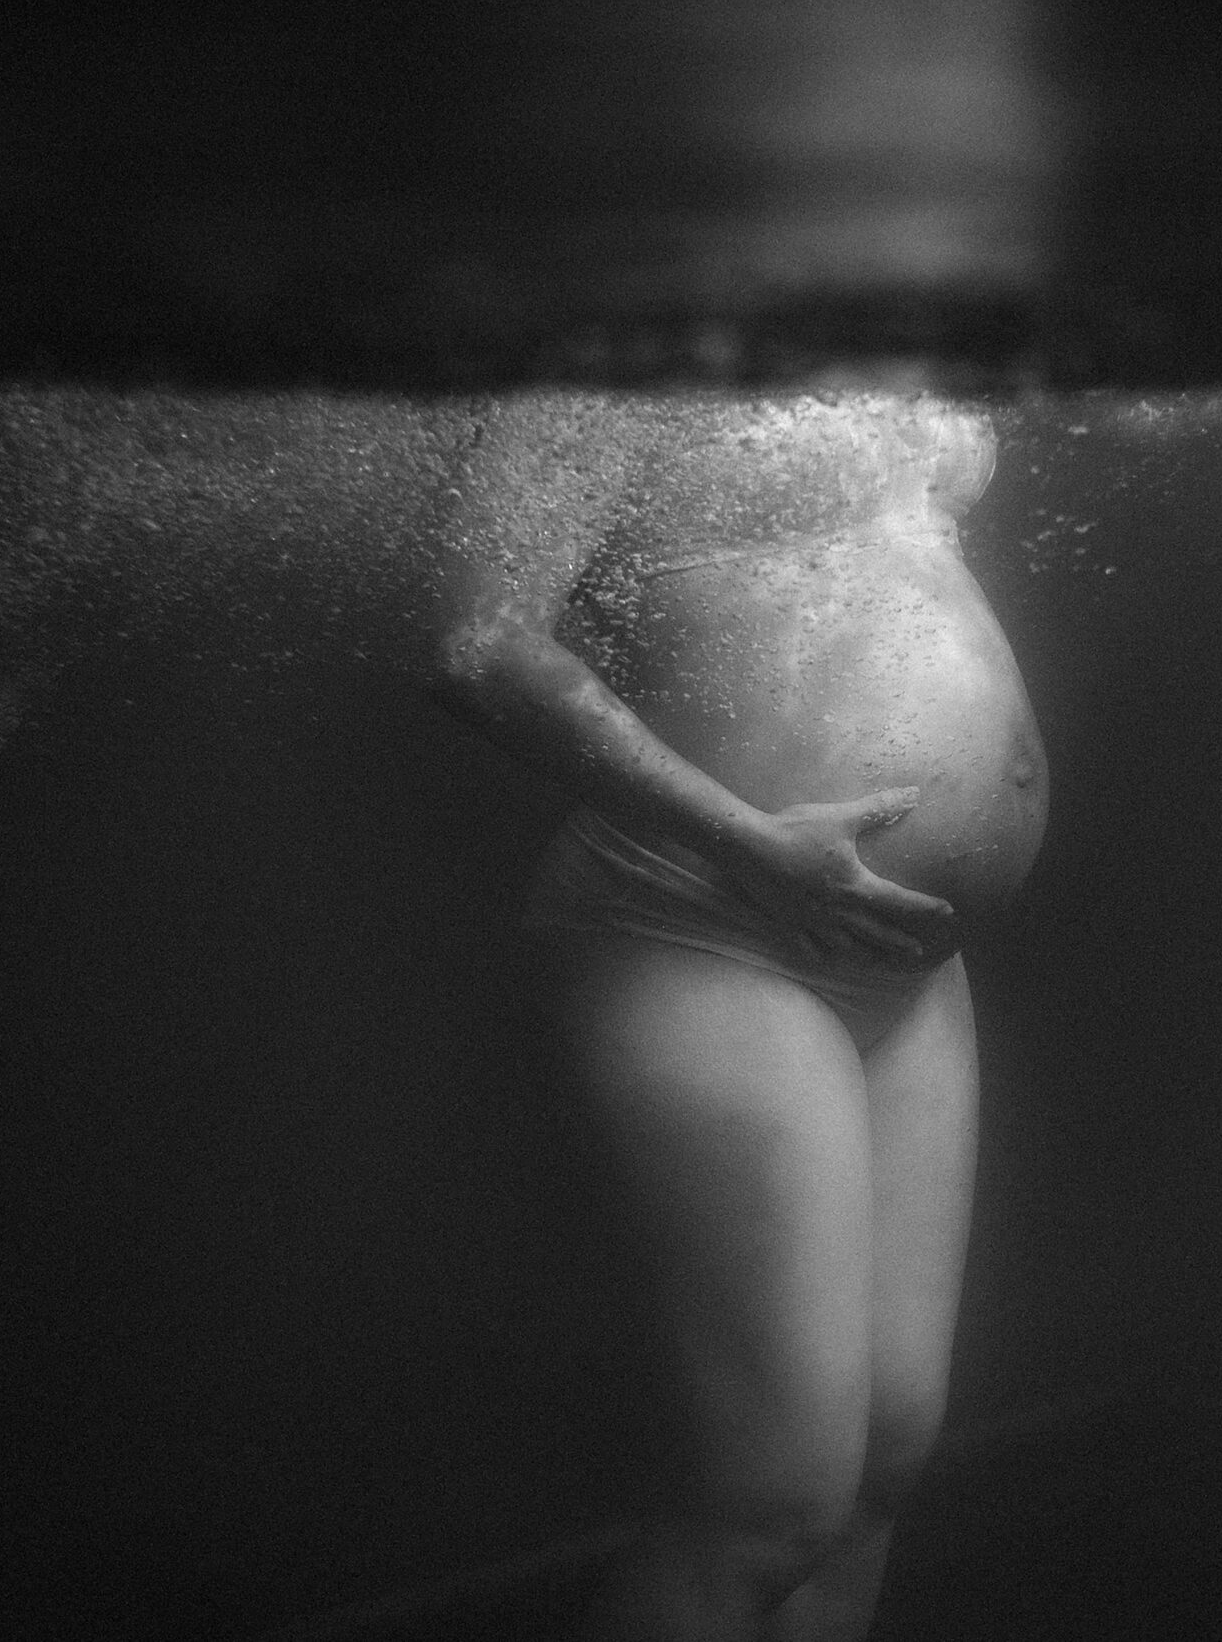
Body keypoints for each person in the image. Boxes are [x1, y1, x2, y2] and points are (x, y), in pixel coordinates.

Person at [425, 383, 1048, 1642]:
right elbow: (472, 641)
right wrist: (752, 844)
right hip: (701, 919)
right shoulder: (590, 332)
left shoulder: (881, 291)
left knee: (883, 1462)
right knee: (772, 1500)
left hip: (903, 959)